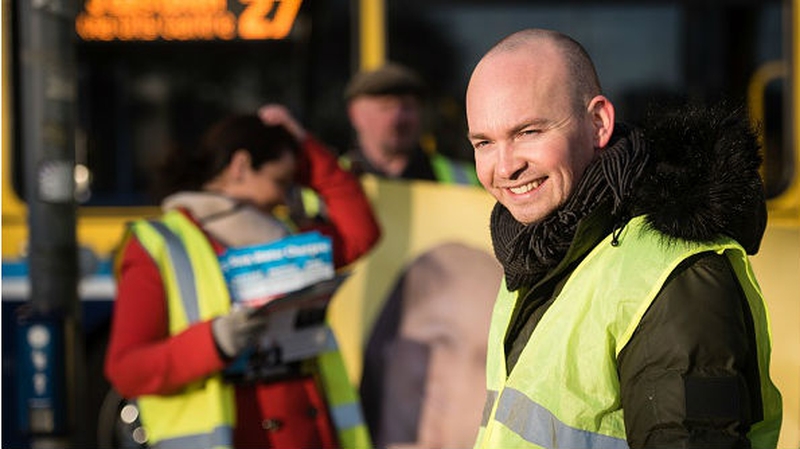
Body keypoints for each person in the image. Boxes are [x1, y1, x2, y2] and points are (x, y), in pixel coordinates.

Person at [465, 28, 782, 448]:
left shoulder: (676, 273)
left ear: (598, 123)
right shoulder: (536, 253)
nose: (505, 168)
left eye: (528, 132)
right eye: (484, 142)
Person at [104, 105, 381, 449]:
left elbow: (360, 232)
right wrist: (215, 341)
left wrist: (304, 146)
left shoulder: (289, 236)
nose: (284, 197)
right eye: (281, 181)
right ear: (240, 165)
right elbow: (128, 370)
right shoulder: (161, 245)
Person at [342, 61, 477, 184]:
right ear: (355, 114)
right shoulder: (334, 176)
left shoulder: (462, 179)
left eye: (408, 107)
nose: (398, 118)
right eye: (386, 107)